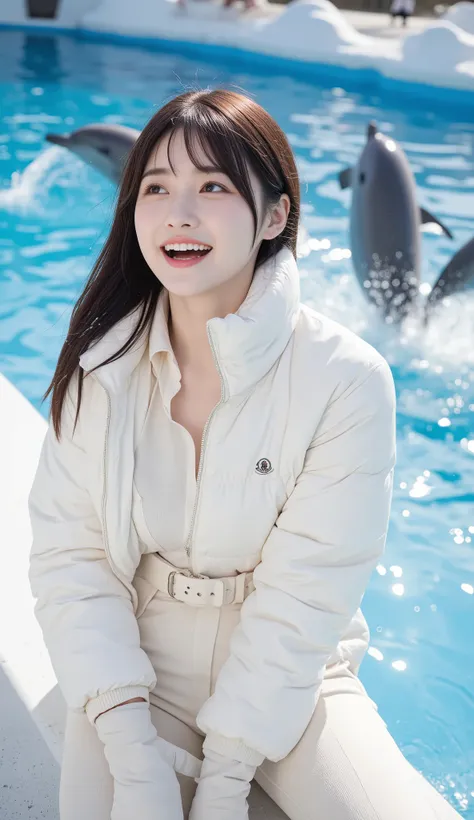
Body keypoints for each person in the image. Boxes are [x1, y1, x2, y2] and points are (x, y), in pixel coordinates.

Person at [28, 88, 461, 820]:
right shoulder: (100, 366)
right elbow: (72, 563)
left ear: (274, 215)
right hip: (140, 666)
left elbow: (305, 596)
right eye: (156, 187)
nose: (179, 214)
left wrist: (227, 776)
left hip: (298, 677)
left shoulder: (346, 378)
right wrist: (131, 752)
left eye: (214, 186)